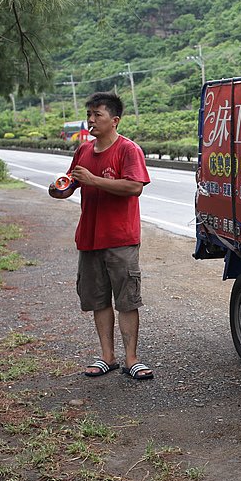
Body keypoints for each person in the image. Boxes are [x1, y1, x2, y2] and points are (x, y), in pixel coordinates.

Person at [49, 91, 153, 380]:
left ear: (114, 120)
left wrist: (95, 180)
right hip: (89, 237)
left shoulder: (128, 150)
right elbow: (72, 183)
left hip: (120, 238)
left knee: (127, 299)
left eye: (98, 115)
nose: (91, 120)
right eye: (90, 114)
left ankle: (132, 358)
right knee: (98, 300)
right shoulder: (83, 150)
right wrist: (61, 189)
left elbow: (134, 187)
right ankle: (107, 356)